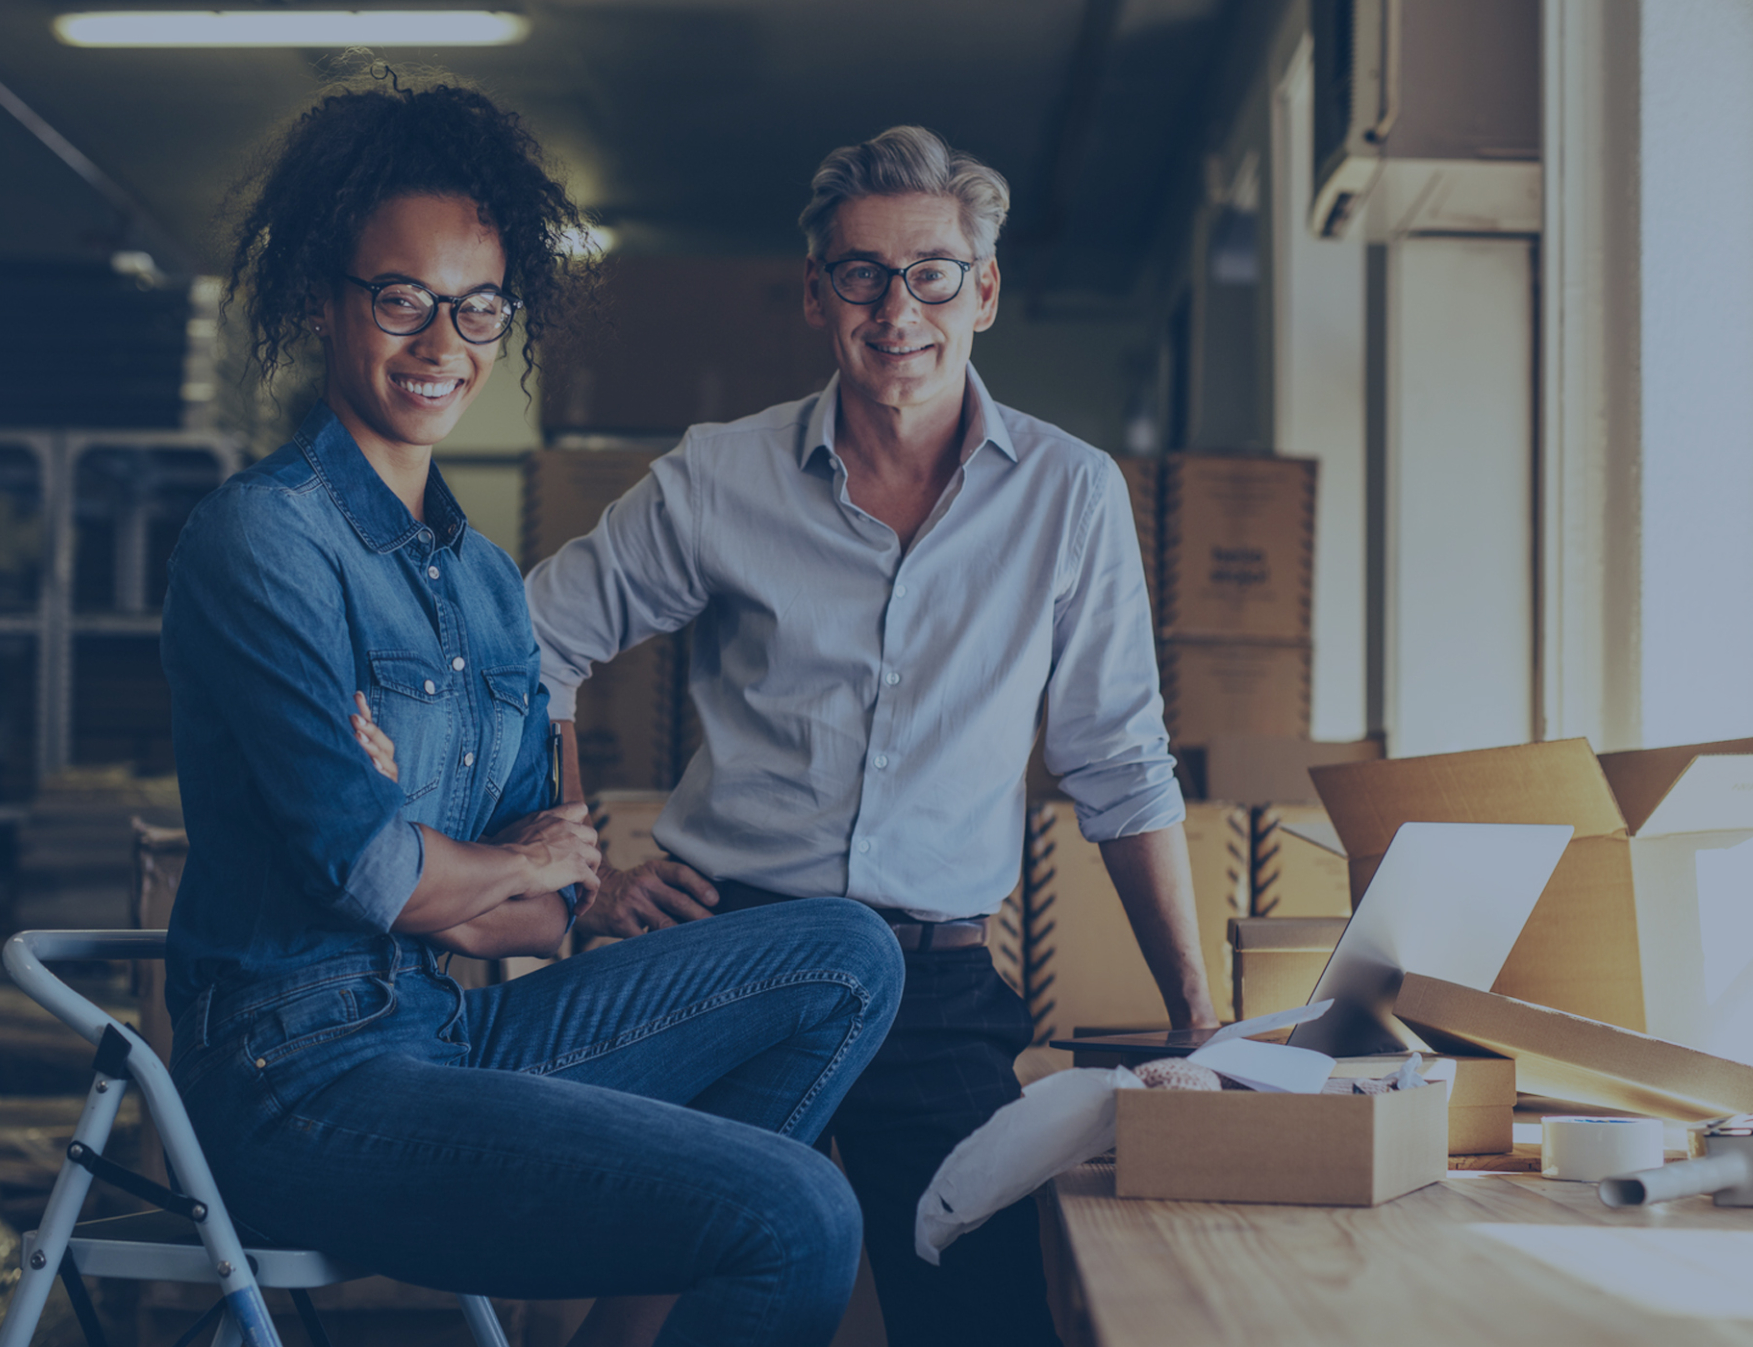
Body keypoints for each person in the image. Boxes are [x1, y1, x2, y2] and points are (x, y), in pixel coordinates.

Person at [159, 73, 904, 1347]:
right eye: (401, 297)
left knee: (847, 954)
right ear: (323, 299)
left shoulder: (486, 583)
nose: (442, 340)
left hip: (448, 1026)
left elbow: (539, 914)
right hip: (302, 1082)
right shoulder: (262, 542)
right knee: (800, 1215)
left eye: (478, 306)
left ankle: (669, 1228)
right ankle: (715, 1213)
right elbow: (376, 874)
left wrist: (485, 867)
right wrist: (481, 863)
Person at [520, 125, 1217, 1346]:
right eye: (861, 273)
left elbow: (1116, 759)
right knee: (652, 1311)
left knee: (988, 1318)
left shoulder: (1070, 494)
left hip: (934, 984)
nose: (898, 308)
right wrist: (584, 872)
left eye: (932, 271)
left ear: (983, 290)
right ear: (815, 294)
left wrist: (1197, 1019)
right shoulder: (718, 479)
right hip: (728, 951)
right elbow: (531, 646)